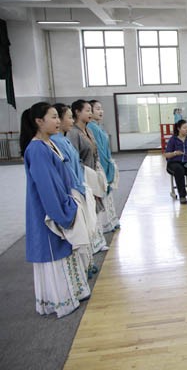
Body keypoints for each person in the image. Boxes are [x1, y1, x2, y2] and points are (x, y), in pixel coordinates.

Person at [20, 102, 91, 318]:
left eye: (58, 117)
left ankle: (74, 292)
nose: (58, 121)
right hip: (50, 211)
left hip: (63, 203)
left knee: (66, 250)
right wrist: (61, 213)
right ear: (38, 121)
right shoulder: (36, 149)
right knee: (54, 251)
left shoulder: (49, 143)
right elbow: (47, 187)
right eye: (53, 117)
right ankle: (60, 299)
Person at [51, 103, 96, 279]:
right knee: (77, 231)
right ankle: (83, 267)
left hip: (79, 185)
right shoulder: (55, 142)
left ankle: (87, 263)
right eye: (68, 117)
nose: (71, 121)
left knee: (85, 226)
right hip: (72, 189)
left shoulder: (64, 139)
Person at [67, 99, 108, 253]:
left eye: (91, 110)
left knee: (95, 206)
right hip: (84, 175)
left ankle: (98, 240)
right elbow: (74, 158)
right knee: (88, 208)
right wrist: (85, 174)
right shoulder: (73, 133)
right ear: (77, 112)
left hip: (93, 172)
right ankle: (91, 242)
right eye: (87, 110)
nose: (90, 113)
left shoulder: (88, 130)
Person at [88, 100, 120, 233]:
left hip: (106, 162)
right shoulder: (91, 127)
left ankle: (111, 221)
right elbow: (98, 150)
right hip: (100, 165)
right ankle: (105, 224)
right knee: (101, 192)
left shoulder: (98, 126)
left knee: (108, 195)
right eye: (97, 109)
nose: (101, 111)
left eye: (101, 108)